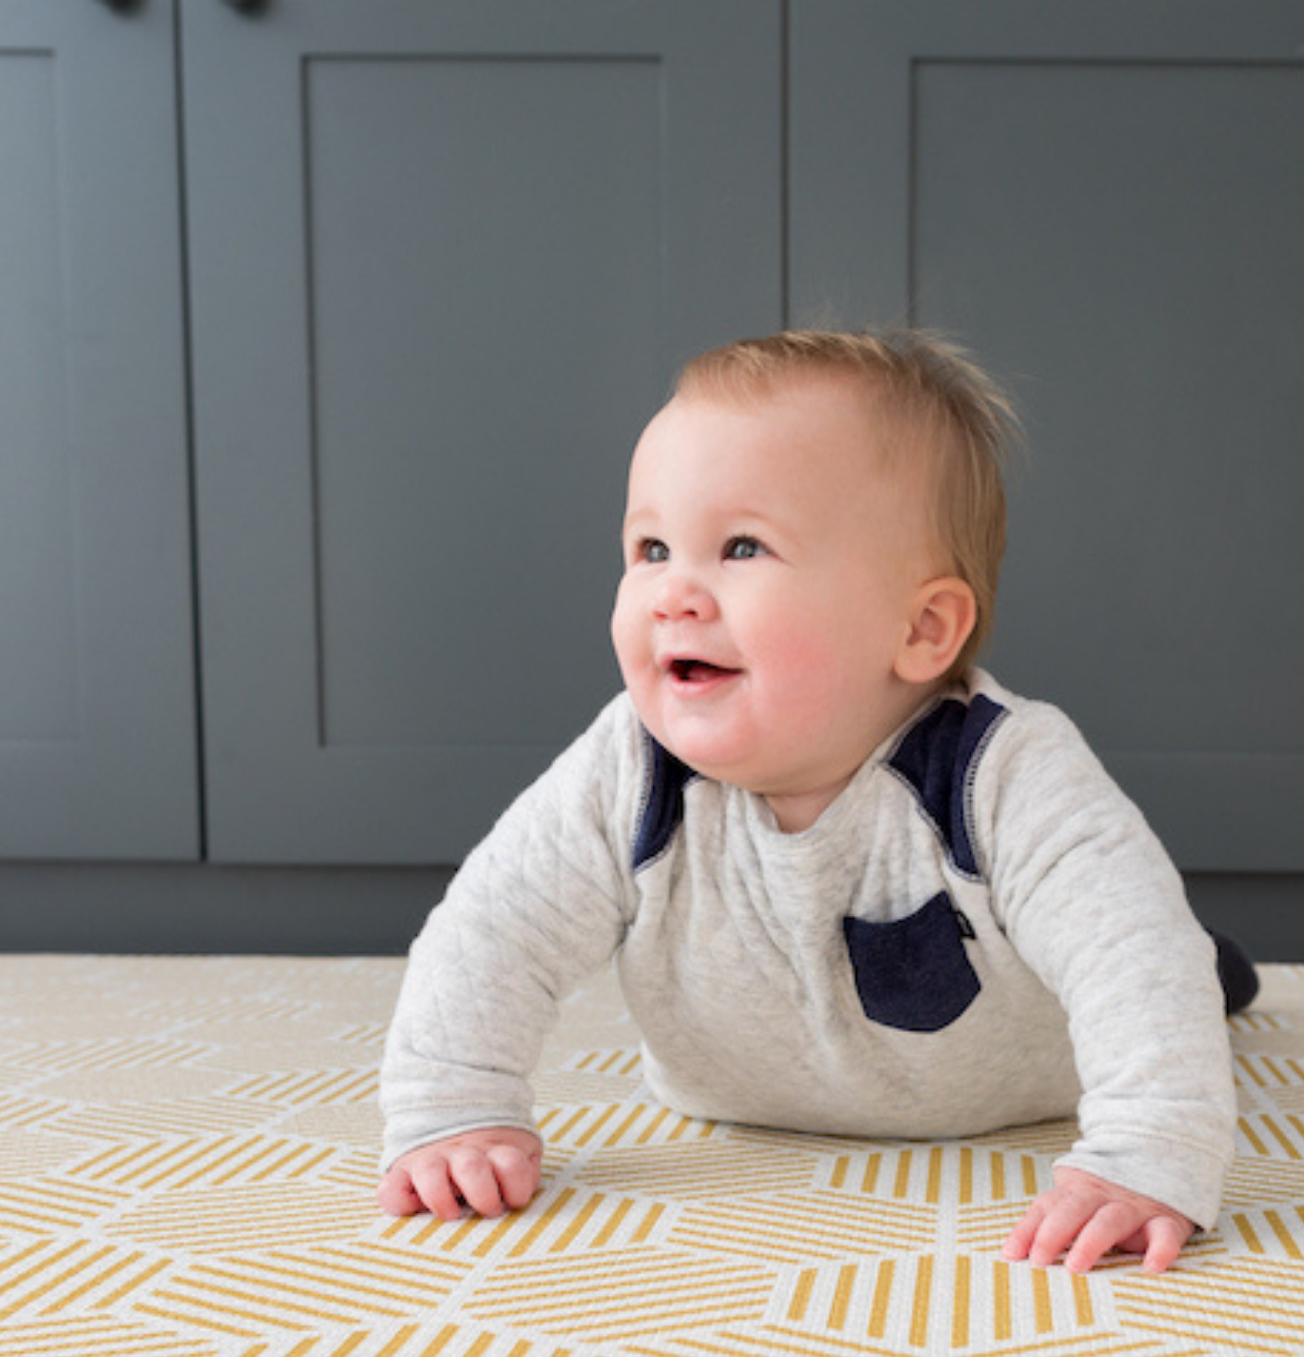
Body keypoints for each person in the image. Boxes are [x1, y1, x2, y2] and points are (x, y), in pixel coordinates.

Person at [378, 329, 1253, 1274]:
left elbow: (1130, 954)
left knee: (1171, 961)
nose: (673, 592)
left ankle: (1219, 969)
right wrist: (454, 1111)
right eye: (652, 547)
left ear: (922, 628)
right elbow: (494, 929)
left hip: (1011, 1090)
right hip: (733, 1098)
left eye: (742, 547)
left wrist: (1145, 1156)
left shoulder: (1001, 772)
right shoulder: (629, 768)